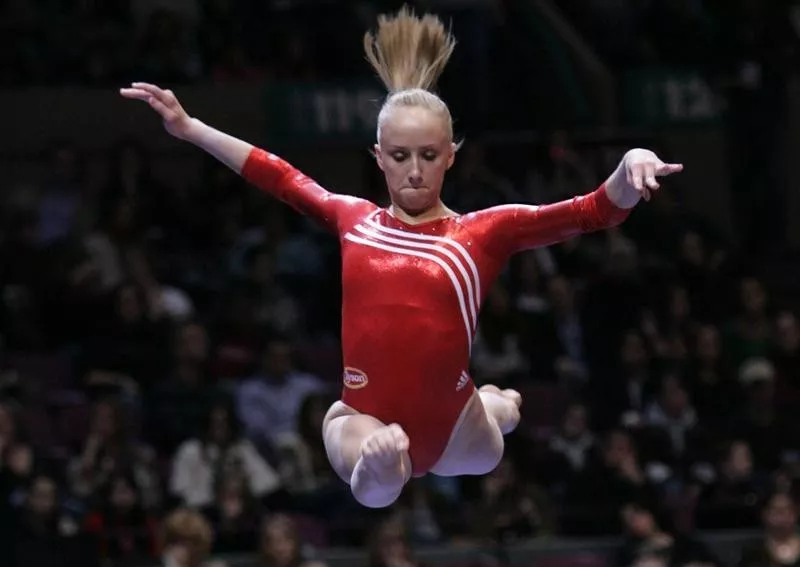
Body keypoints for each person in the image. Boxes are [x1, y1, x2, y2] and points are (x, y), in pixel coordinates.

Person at [121, 7, 683, 509]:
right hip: (364, 415)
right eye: (399, 155)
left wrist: (630, 163)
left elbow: (588, 211)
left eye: (429, 155)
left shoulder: (481, 233)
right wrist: (190, 128)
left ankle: (496, 403)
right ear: (378, 157)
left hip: (455, 423)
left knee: (493, 434)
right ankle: (396, 455)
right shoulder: (354, 220)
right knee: (375, 477)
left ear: (451, 157)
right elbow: (278, 175)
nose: (414, 169)